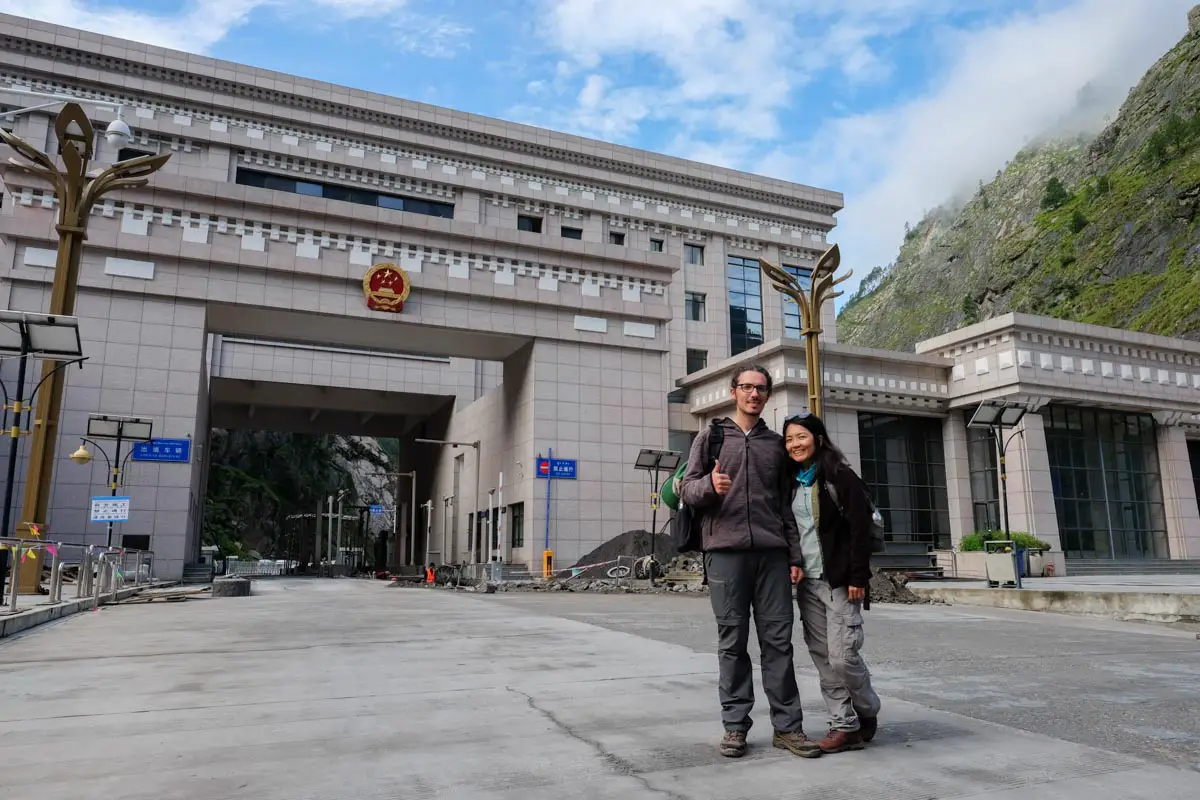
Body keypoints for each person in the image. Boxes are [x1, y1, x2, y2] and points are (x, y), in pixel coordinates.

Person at [679, 364, 818, 760]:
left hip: (772, 556)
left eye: (760, 388)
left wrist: (793, 554)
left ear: (768, 395)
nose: (754, 394)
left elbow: (785, 506)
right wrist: (710, 486)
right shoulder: (711, 437)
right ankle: (736, 726)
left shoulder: (776, 444)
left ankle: (788, 728)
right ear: (733, 391)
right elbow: (686, 489)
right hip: (725, 554)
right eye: (747, 387)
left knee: (778, 643)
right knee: (732, 643)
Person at [782, 412, 882, 753]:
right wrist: (794, 562)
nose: (795, 444)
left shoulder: (841, 478)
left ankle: (867, 709)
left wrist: (858, 576)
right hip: (807, 582)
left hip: (840, 581)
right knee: (823, 656)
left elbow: (860, 530)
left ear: (818, 438)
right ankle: (844, 725)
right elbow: (794, 531)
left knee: (844, 657)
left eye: (801, 437)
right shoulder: (793, 481)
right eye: (789, 439)